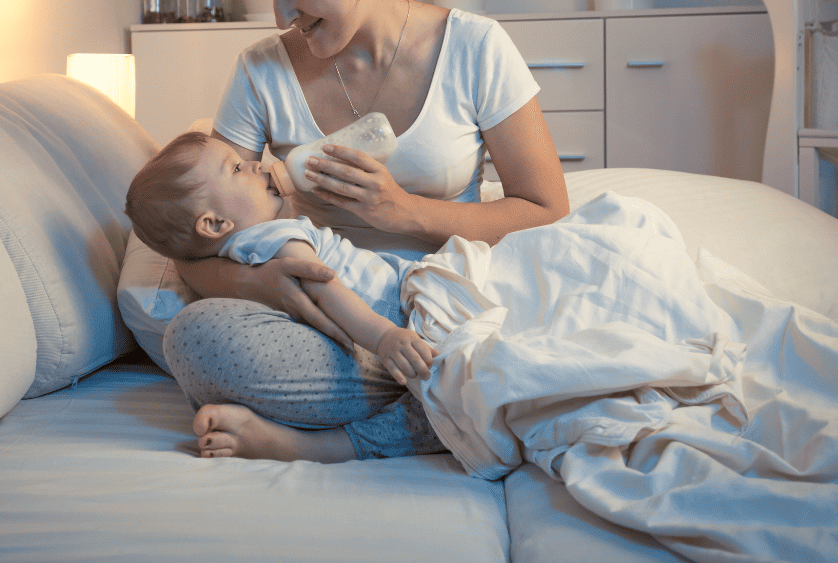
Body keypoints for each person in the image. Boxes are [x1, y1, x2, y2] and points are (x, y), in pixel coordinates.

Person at [160, 0, 570, 465]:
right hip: (332, 327)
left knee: (538, 341)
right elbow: (196, 249)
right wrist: (262, 281)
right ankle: (450, 403)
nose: (281, 16)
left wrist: (405, 213)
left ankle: (344, 433)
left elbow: (546, 212)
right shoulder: (260, 71)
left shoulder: (475, 47)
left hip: (447, 310)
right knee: (194, 339)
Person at [127, 133, 745, 469]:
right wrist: (384, 337)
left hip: (408, 291)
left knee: (464, 376)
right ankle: (330, 446)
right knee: (455, 387)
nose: (258, 166)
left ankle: (327, 443)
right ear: (210, 225)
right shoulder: (271, 237)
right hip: (394, 317)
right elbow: (325, 288)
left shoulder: (252, 236)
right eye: (238, 170)